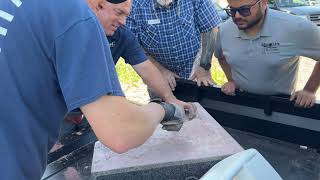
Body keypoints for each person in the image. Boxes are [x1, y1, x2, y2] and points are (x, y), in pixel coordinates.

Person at [0, 0, 195, 179]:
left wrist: (169, 96)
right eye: (119, 12)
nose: (123, 21)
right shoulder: (73, 14)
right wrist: (165, 110)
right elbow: (121, 132)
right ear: (99, 5)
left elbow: (144, 67)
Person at [215, 0, 320, 108]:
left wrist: (309, 90)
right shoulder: (225, 29)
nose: (237, 16)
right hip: (241, 101)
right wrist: (232, 80)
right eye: (232, 10)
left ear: (264, 3)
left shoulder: (295, 27)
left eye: (244, 10)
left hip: (280, 105)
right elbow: (221, 56)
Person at [126, 0, 222, 97]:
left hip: (195, 67)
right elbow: (131, 46)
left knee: (204, 107)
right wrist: (160, 70)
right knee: (165, 109)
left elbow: (210, 29)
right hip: (157, 71)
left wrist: (203, 67)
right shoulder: (134, 5)